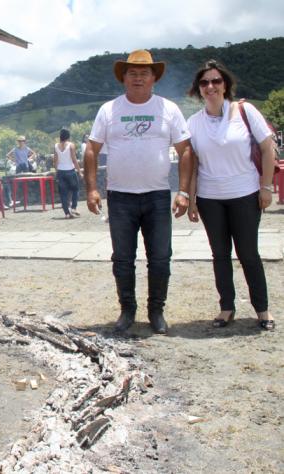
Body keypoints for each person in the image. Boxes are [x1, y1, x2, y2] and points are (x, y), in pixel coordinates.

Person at [84, 49, 192, 335]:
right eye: (132, 73)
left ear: (154, 77)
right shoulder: (109, 110)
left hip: (157, 195)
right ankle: (127, 310)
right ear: (124, 78)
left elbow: (186, 151)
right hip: (119, 197)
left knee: (160, 258)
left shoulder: (168, 109)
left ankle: (156, 310)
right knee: (122, 258)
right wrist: (92, 189)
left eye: (144, 73)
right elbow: (91, 149)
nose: (138, 77)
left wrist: (183, 191)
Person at [186, 60, 276, 330]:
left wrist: (267, 186)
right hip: (210, 197)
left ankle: (262, 310)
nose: (210, 86)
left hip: (245, 193)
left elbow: (267, 148)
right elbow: (193, 165)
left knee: (248, 253)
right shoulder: (194, 122)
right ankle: (226, 307)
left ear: (225, 85)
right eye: (204, 83)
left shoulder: (245, 111)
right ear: (198, 89)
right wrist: (191, 200)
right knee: (220, 254)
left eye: (216, 81)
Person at [54, 129, 84, 218]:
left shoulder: (56, 146)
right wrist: (79, 172)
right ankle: (74, 208)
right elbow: (74, 160)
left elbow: (55, 160)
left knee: (63, 193)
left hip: (61, 171)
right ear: (68, 136)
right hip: (70, 171)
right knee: (76, 189)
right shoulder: (71, 145)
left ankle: (67, 213)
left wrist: (56, 171)